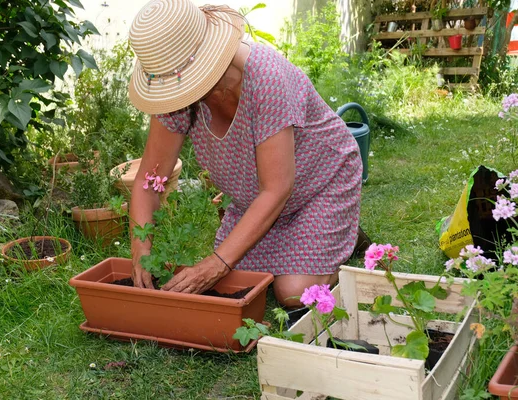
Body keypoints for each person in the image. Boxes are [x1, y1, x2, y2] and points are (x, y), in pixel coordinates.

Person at [127, 0, 362, 308]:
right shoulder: (177, 97)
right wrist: (141, 250)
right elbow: (149, 180)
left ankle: (344, 235)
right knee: (237, 283)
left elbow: (277, 188)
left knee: (292, 292)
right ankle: (320, 243)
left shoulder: (266, 79)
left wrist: (216, 263)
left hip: (320, 184)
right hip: (255, 199)